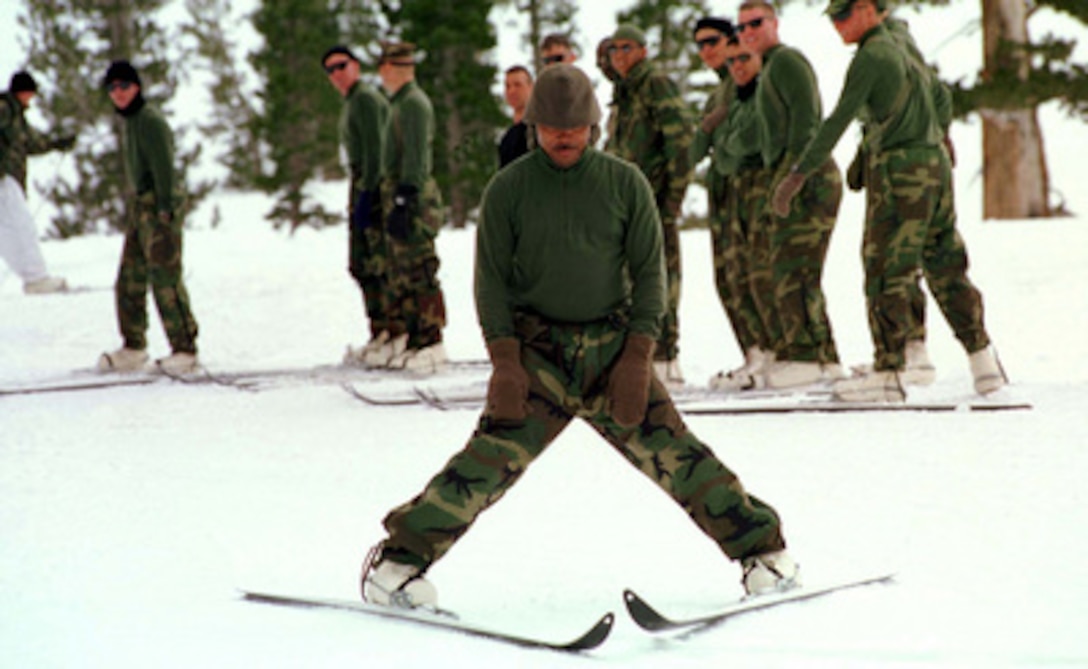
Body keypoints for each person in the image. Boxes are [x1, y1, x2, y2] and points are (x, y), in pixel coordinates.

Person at [360, 64, 797, 610]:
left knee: (679, 457)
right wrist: (505, 362)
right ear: (533, 126)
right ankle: (397, 565)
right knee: (484, 464)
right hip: (536, 358)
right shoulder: (507, 191)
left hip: (614, 356)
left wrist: (640, 355)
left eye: (575, 126)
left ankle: (765, 556)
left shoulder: (625, 183)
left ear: (594, 125)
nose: (564, 135)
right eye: (551, 126)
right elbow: (490, 281)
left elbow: (650, 273)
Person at [771, 0, 1006, 401]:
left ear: (867, 9)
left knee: (885, 267)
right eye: (833, 18)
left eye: (843, 15)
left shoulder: (872, 55)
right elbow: (941, 96)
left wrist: (797, 175)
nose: (837, 25)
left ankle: (889, 370)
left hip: (899, 171)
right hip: (933, 165)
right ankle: (984, 362)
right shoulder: (902, 43)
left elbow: (838, 119)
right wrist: (939, 136)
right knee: (945, 263)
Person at [736, 0, 845, 390]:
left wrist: (792, 177)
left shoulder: (787, 62)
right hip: (793, 174)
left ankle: (805, 356)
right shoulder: (768, 70)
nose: (748, 32)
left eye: (755, 23)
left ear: (774, 23)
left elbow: (808, 121)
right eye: (742, 28)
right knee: (799, 268)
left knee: (790, 267)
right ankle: (824, 359)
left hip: (808, 176)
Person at [605, 24, 694, 389]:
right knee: (633, 281)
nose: (620, 55)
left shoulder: (655, 83)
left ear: (642, 50)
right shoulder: (624, 92)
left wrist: (672, 197)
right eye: (614, 49)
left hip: (654, 202)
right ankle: (644, 356)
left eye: (627, 48)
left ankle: (665, 359)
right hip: (626, 207)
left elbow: (682, 140)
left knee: (661, 277)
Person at [690, 21, 778, 392]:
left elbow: (746, 139)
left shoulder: (748, 86)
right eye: (700, 45)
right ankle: (755, 356)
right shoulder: (721, 92)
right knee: (728, 278)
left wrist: (715, 140)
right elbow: (699, 146)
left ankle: (771, 355)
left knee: (752, 274)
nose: (706, 50)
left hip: (750, 187)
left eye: (712, 42)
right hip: (724, 190)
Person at [96, 60, 199, 375]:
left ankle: (185, 349)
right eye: (112, 88)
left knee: (165, 277)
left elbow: (165, 165)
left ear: (137, 87)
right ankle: (134, 346)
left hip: (158, 203)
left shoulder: (150, 120)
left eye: (124, 86)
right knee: (129, 278)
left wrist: (166, 207)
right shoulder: (132, 121)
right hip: (142, 205)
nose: (118, 93)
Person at [374, 41, 448, 373]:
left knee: (418, 269)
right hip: (398, 190)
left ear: (396, 68)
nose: (380, 74)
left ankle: (432, 340)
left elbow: (417, 155)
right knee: (401, 271)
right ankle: (416, 338)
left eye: (385, 67)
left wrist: (406, 196)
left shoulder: (414, 104)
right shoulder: (399, 103)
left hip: (413, 195)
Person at [323, 46, 394, 367]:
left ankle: (391, 332)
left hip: (372, 185)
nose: (336, 74)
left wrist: (369, 194)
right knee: (362, 263)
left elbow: (376, 149)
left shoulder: (365, 98)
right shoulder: (352, 101)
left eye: (341, 66)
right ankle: (380, 332)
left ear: (355, 66)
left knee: (377, 263)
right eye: (330, 70)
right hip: (361, 183)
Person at [0, 70, 74, 295]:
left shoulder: (16, 116)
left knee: (8, 230)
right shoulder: (4, 109)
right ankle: (36, 278)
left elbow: (31, 142)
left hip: (8, 178)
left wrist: (55, 143)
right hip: (4, 178)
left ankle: (34, 277)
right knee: (21, 227)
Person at [497, 65, 533, 168]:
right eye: (508, 86)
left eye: (518, 85)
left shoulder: (539, 131)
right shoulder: (506, 140)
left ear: (531, 87)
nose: (512, 91)